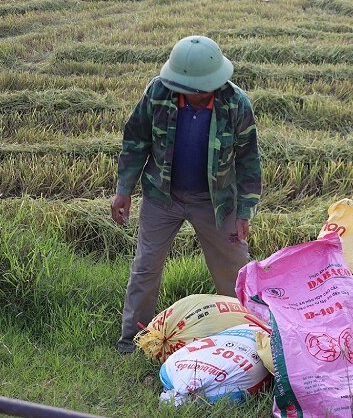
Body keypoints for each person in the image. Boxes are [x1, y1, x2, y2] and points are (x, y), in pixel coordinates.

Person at [111, 35, 262, 354]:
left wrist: (245, 210)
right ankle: (132, 339)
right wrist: (124, 189)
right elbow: (135, 141)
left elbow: (248, 159)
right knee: (146, 266)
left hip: (217, 203)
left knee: (233, 268)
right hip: (161, 197)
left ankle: (248, 337)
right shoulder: (158, 93)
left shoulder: (236, 104)